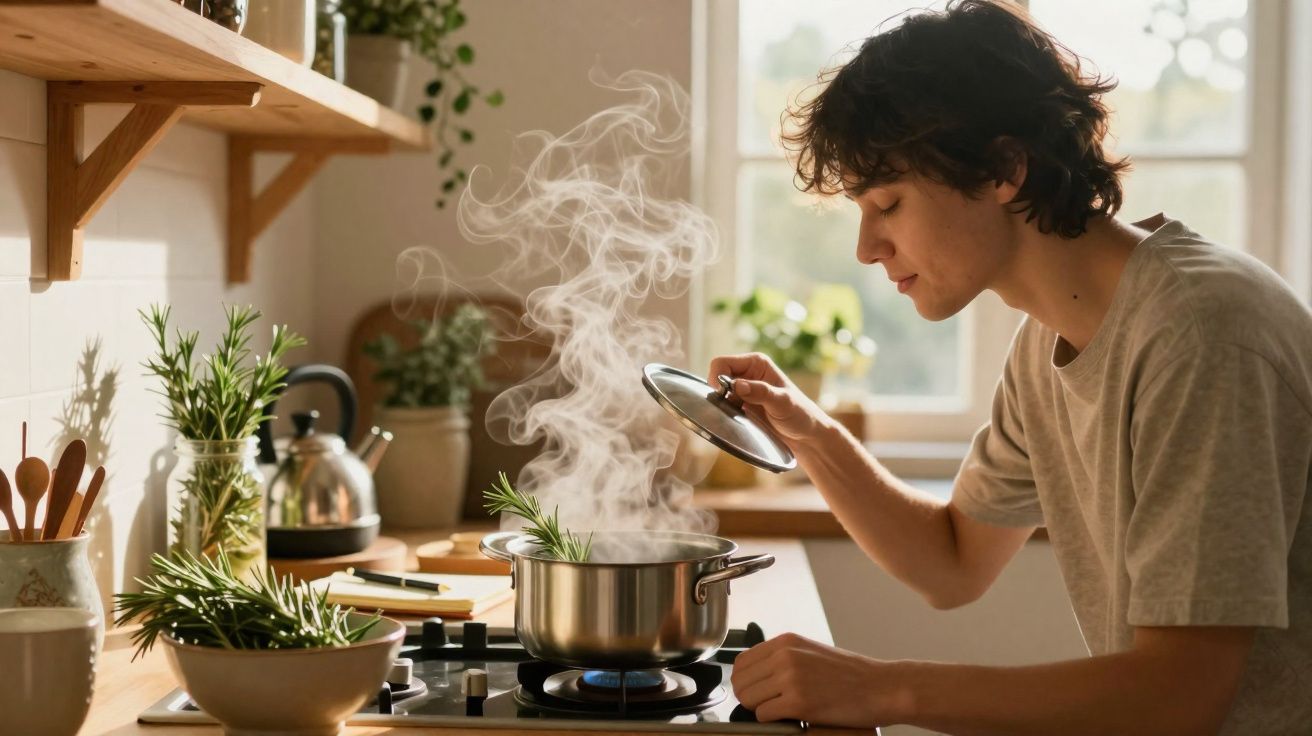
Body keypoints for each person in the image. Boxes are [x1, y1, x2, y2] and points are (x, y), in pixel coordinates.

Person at [711, 2, 1312, 733]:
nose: (867, 248)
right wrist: (808, 431)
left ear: (1003, 169)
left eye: (889, 204)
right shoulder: (1046, 342)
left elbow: (1180, 694)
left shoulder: (1201, 333)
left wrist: (883, 689)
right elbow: (952, 563)